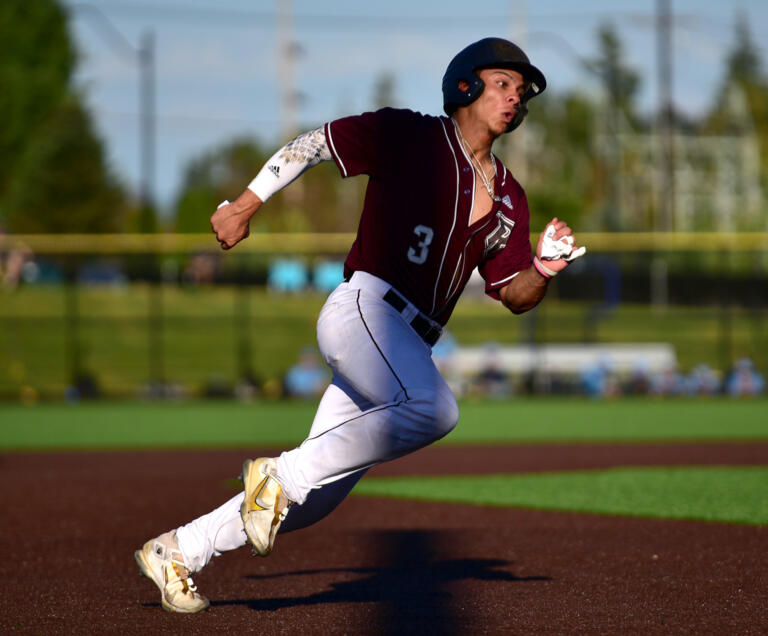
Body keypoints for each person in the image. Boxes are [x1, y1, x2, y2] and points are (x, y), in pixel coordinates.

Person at [134, 37, 585, 613]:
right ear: (464, 86)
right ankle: (278, 473)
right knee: (434, 410)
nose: (514, 98)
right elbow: (314, 143)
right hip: (367, 310)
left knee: (314, 500)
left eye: (521, 92)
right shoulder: (412, 136)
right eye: (503, 83)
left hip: (406, 347)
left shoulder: (510, 197)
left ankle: (179, 549)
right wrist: (248, 201)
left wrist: (544, 266)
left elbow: (514, 295)